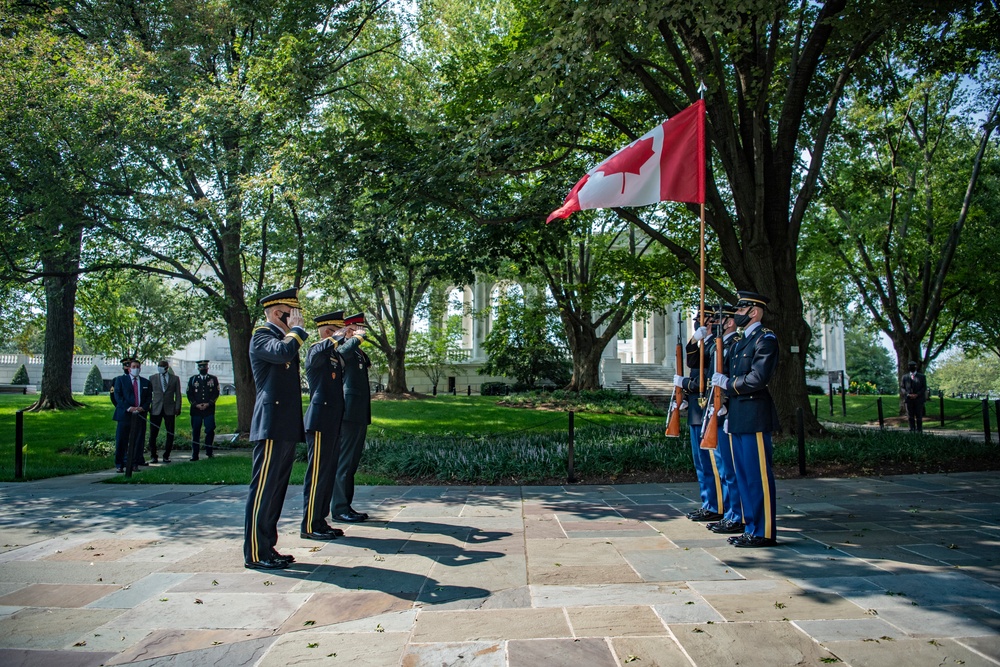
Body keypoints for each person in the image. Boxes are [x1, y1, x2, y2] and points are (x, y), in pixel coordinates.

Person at [244, 288, 308, 570]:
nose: (296, 318)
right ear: (273, 313)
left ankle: (267, 546)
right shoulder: (262, 336)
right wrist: (296, 332)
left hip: (284, 424)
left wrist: (293, 333)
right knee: (264, 489)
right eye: (289, 313)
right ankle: (256, 552)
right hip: (271, 424)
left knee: (277, 489)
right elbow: (282, 351)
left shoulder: (282, 339)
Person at [712, 290, 780, 548]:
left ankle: (763, 531)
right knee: (742, 475)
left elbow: (758, 378)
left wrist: (729, 384)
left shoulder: (766, 339)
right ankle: (751, 527)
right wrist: (725, 405)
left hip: (754, 416)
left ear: (753, 311)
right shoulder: (741, 342)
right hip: (738, 415)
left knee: (757, 476)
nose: (737, 314)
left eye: (740, 310)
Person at [300, 311, 349, 540]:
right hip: (319, 422)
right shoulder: (316, 350)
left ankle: (320, 520)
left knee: (328, 475)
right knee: (318, 475)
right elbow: (317, 354)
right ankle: (310, 524)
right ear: (327, 330)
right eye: (337, 330)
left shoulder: (334, 355)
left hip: (333, 421)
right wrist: (334, 338)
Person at [673, 310, 723, 523]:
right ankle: (708, 503)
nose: (696, 323)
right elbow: (693, 364)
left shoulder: (717, 345)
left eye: (701, 320)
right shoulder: (702, 343)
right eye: (695, 320)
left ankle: (719, 506)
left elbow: (707, 378)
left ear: (713, 321)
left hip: (707, 407)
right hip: (696, 409)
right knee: (701, 463)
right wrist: (694, 340)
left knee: (714, 463)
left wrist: (685, 384)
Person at [703, 305, 744, 535]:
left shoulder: (734, 344)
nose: (711, 324)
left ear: (728, 322)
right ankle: (730, 513)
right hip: (714, 407)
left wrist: (725, 403)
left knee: (730, 468)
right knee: (722, 466)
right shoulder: (718, 345)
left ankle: (736, 515)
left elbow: (733, 374)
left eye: (717, 319)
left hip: (725, 410)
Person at [332, 312, 371, 524]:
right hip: (348, 413)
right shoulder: (342, 347)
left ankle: (346, 505)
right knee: (344, 463)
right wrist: (352, 338)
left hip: (359, 412)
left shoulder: (357, 352)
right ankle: (339, 508)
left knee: (352, 463)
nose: (363, 331)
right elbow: (341, 352)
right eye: (359, 327)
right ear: (348, 329)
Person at [112, 359, 151, 473]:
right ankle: (120, 464)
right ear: (129, 369)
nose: (136, 369)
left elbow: (148, 398)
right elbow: (118, 396)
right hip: (125, 415)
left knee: (137, 440)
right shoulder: (120, 380)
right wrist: (129, 408)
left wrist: (142, 407)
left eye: (137, 367)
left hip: (140, 415)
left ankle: (134, 463)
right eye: (133, 367)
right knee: (122, 440)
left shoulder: (145, 382)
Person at [147, 360, 182, 464]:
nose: (160, 367)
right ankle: (153, 456)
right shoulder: (152, 378)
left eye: (162, 366)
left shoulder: (175, 379)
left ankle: (166, 455)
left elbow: (178, 394)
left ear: (167, 367)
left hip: (169, 409)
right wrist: (149, 405)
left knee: (170, 433)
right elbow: (149, 393)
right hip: (156, 408)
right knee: (153, 434)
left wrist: (178, 407)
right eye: (159, 365)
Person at [186, 360, 220, 461]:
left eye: (204, 367)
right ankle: (195, 454)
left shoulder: (213, 379)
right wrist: (195, 404)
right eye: (201, 367)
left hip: (208, 410)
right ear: (198, 368)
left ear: (207, 368)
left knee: (209, 430)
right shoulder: (193, 379)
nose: (203, 369)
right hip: (196, 410)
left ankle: (209, 451)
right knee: (196, 431)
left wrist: (208, 403)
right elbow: (189, 393)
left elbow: (216, 393)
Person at [901, 360, 927, 433]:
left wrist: (917, 394)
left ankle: (919, 429)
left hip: (919, 399)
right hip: (908, 399)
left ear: (916, 367)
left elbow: (924, 387)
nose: (911, 367)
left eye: (913, 366)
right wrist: (907, 394)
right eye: (910, 366)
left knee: (919, 415)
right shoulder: (905, 377)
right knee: (910, 415)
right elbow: (902, 387)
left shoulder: (922, 377)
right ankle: (912, 428)